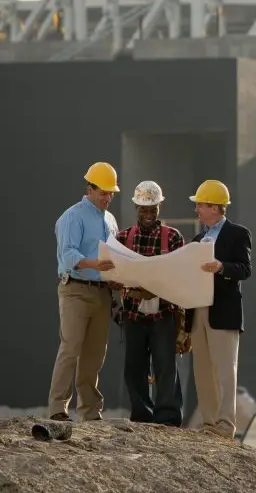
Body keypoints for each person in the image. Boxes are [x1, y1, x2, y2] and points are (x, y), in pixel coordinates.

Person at [48, 162, 121, 422]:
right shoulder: (73, 216)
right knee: (70, 347)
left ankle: (90, 410)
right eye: (103, 192)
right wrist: (94, 264)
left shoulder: (110, 220)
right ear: (89, 188)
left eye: (111, 193)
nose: (108, 197)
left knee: (95, 353)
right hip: (76, 290)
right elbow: (68, 256)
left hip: (102, 293)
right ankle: (58, 408)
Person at [114, 180, 187, 426]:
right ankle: (142, 414)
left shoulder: (174, 238)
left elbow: (181, 276)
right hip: (133, 313)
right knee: (134, 367)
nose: (148, 214)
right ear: (136, 207)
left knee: (166, 365)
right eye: (143, 209)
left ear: (159, 207)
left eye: (152, 209)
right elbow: (114, 274)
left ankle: (167, 416)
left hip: (163, 311)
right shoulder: (123, 238)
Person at [185, 179, 252, 438]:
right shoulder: (198, 238)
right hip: (199, 309)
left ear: (214, 207)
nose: (197, 210)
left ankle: (226, 424)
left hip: (223, 311)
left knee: (225, 368)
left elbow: (245, 269)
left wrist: (221, 267)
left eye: (200, 204)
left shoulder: (237, 234)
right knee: (202, 369)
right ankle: (210, 422)